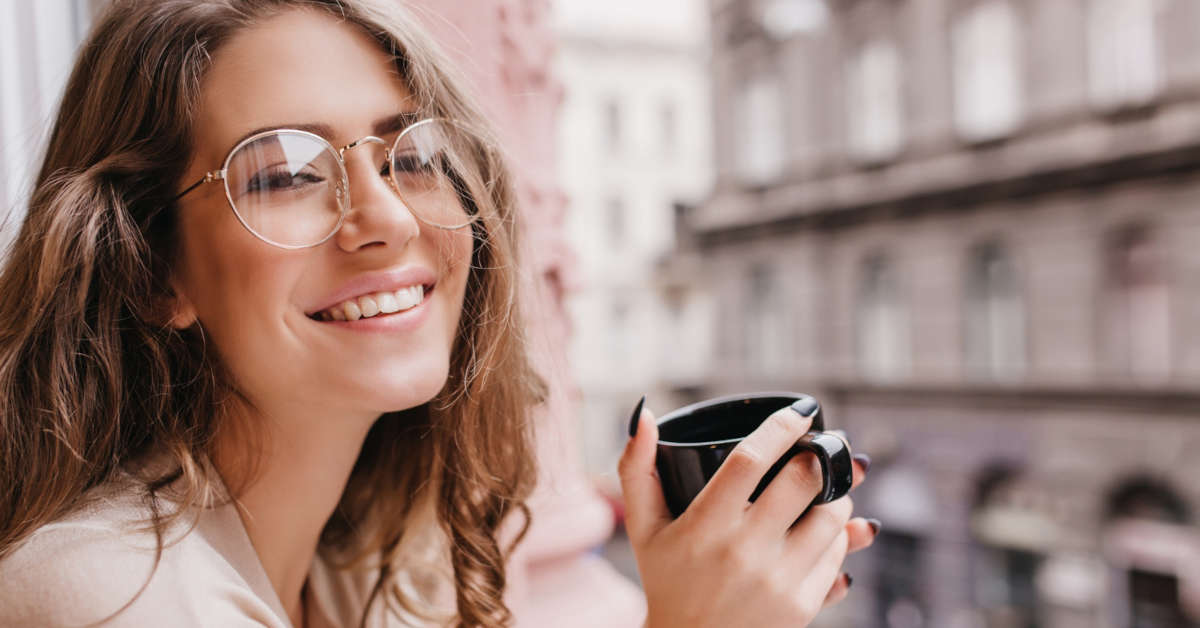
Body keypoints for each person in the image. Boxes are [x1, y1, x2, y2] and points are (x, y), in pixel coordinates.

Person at [0, 1, 877, 626]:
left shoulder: (376, 558)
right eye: (288, 174)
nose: (386, 217)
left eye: (413, 157)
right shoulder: (103, 591)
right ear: (153, 268)